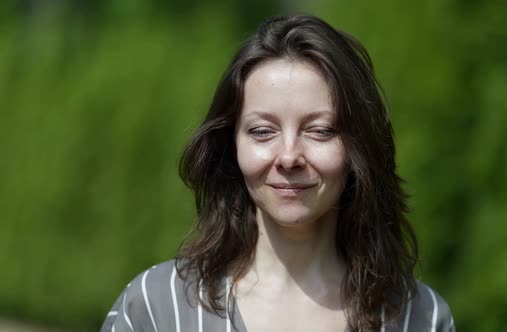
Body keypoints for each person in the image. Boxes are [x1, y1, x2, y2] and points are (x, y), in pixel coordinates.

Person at [100, 15, 455, 332]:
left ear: (358, 149)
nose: (289, 156)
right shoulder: (156, 308)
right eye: (262, 131)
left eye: (320, 130)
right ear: (231, 145)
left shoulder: (420, 318)